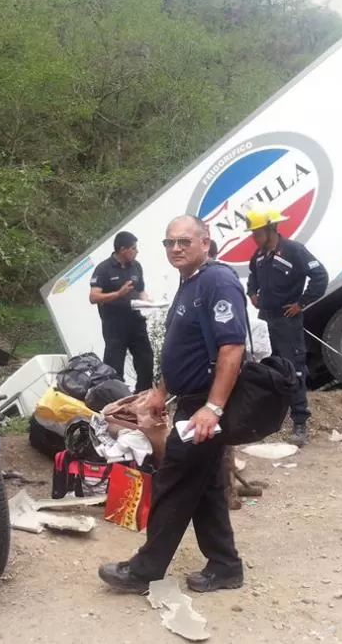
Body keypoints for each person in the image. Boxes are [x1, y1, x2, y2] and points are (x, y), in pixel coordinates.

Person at [98, 215, 246, 594]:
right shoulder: (190, 281)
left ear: (205, 241)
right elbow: (186, 349)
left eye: (184, 241)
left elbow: (232, 348)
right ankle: (226, 565)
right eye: (169, 243)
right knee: (207, 487)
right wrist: (162, 390)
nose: (176, 248)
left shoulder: (218, 281)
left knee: (173, 482)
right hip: (189, 402)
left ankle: (144, 570)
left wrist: (212, 409)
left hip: (204, 407)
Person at [245, 208, 328, 447]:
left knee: (294, 369)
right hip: (265, 320)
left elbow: (320, 276)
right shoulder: (259, 255)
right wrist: (252, 293)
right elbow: (253, 277)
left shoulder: (294, 250)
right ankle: (268, 421)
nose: (254, 237)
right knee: (267, 369)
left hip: (286, 320)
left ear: (271, 229)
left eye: (257, 232)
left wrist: (301, 303)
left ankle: (300, 422)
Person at [89, 231, 155, 392]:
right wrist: (118, 294)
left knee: (146, 359)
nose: (136, 251)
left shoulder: (136, 266)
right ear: (123, 249)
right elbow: (93, 297)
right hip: (115, 325)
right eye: (133, 248)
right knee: (114, 365)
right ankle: (117, 398)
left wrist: (146, 301)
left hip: (136, 321)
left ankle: (143, 394)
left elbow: (141, 290)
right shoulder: (103, 269)